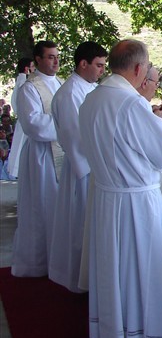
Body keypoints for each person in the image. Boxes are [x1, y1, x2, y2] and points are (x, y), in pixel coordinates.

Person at [79, 39, 162, 338]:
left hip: (108, 199)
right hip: (136, 203)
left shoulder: (92, 99)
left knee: (115, 274)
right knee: (140, 275)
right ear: (138, 69)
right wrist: (153, 112)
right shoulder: (131, 104)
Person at [48, 41, 108, 293]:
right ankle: (77, 278)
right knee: (79, 225)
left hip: (93, 165)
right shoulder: (71, 93)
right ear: (83, 63)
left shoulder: (89, 88)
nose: (102, 71)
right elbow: (76, 137)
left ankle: (89, 276)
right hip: (83, 168)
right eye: (98, 65)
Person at [11, 41, 63, 277]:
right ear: (38, 60)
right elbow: (33, 124)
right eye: (50, 57)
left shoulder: (61, 84)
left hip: (62, 152)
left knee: (58, 208)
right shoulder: (29, 89)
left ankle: (58, 260)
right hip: (41, 157)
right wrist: (68, 125)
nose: (55, 61)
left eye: (57, 56)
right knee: (40, 207)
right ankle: (36, 264)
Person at [5, 57, 35, 179]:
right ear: (27, 69)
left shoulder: (23, 82)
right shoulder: (24, 83)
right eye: (33, 66)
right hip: (25, 123)